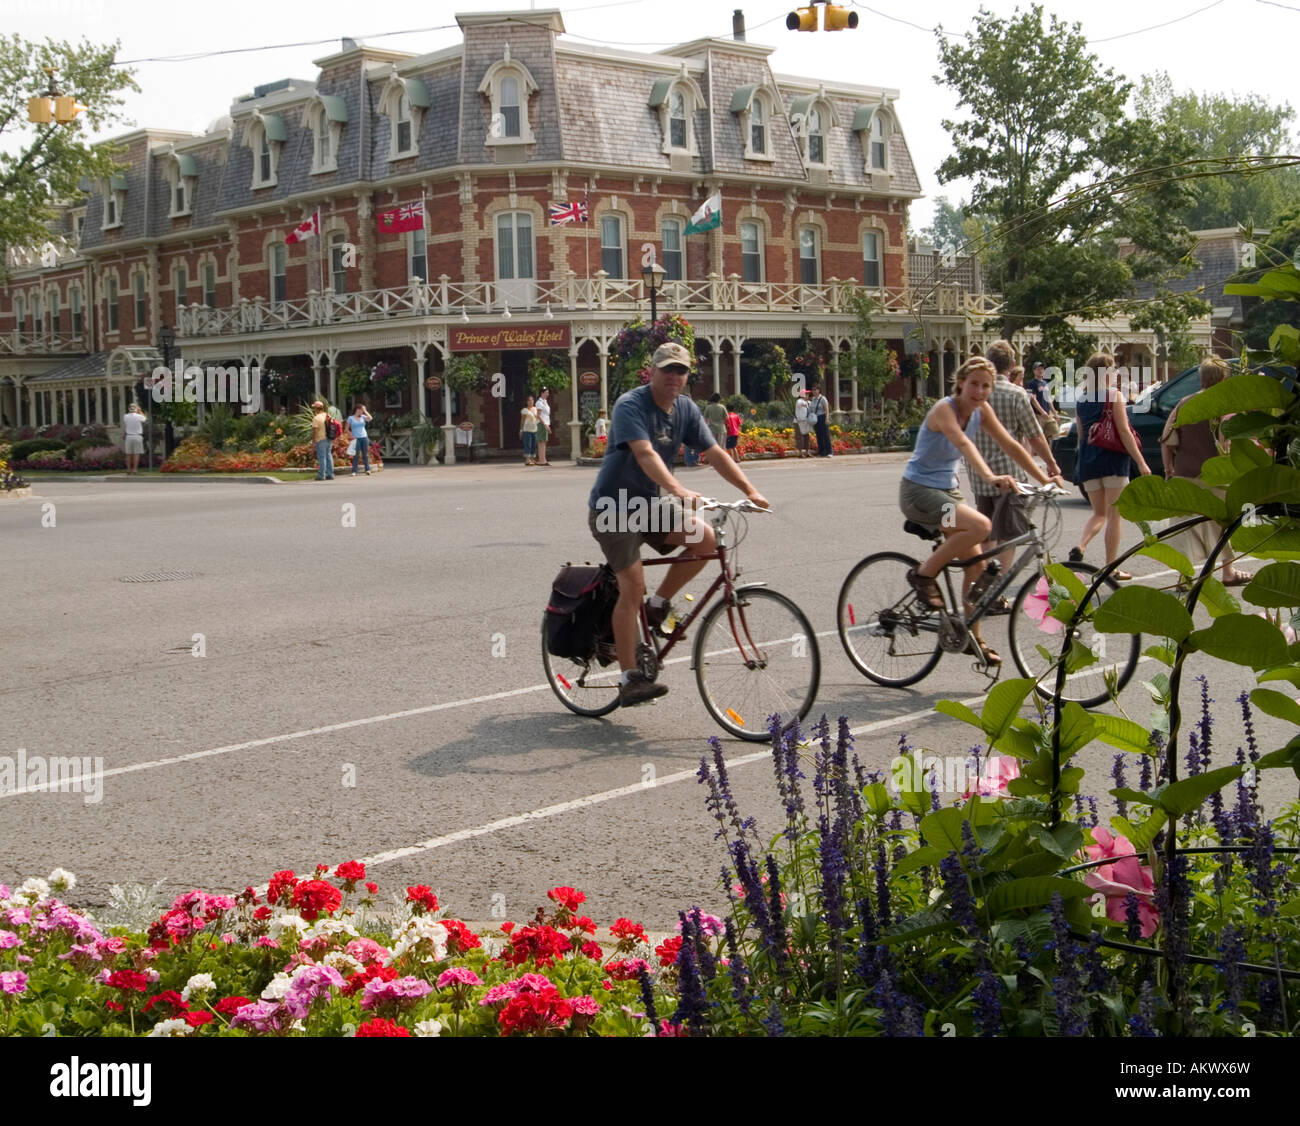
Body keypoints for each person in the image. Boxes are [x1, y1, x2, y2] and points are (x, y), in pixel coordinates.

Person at [588, 341, 768, 706]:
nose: (674, 377)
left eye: (681, 371)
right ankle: (630, 678)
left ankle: (658, 606)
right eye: (667, 369)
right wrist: (677, 488)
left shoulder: (685, 408)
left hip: (651, 504)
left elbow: (714, 451)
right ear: (651, 371)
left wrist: (750, 490)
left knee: (704, 539)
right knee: (631, 585)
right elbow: (644, 453)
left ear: (688, 376)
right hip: (614, 507)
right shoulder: (630, 405)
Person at [900, 356, 1057, 665]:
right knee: (981, 526)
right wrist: (990, 477)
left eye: (986, 385)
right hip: (919, 494)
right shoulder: (945, 409)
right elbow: (963, 444)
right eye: (974, 384)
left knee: (977, 567)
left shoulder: (981, 410)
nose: (980, 391)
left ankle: (973, 637)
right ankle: (922, 575)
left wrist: (1045, 477)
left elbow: (1011, 445)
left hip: (946, 494)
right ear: (960, 383)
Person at [970, 341, 1065, 608]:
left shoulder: (978, 393)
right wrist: (1051, 463)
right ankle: (996, 592)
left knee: (988, 535)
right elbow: (1034, 435)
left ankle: (984, 587)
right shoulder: (1016, 394)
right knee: (1009, 535)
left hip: (981, 475)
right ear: (1012, 366)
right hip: (1010, 477)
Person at [1159, 357, 1251, 586]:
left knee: (1183, 528)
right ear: (1224, 377)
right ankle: (1228, 572)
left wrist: (1169, 468)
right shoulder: (1223, 405)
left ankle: (1184, 576)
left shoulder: (1184, 403)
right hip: (1215, 476)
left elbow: (1166, 440)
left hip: (1185, 474)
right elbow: (1225, 442)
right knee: (1224, 523)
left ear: (1201, 377)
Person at [1069, 352, 1151, 580]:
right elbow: (1124, 432)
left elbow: (1081, 436)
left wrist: (1079, 465)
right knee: (1115, 515)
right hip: (1112, 459)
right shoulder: (1114, 395)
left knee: (1098, 513)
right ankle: (1110, 567)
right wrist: (1141, 462)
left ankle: (1081, 545)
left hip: (1088, 460)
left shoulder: (1081, 400)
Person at [1024, 359, 1060, 441]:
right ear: (1034, 371)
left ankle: (1052, 453)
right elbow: (1033, 400)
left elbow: (1049, 399)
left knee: (1054, 434)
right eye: (1038, 369)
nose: (1040, 371)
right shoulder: (1031, 384)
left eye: (1042, 369)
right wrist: (1042, 412)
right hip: (1038, 415)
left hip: (1048, 414)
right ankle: (1034, 454)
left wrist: (1054, 412)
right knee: (1038, 438)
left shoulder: (1045, 383)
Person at [311, 400, 334, 481]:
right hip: (329, 438)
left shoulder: (316, 418)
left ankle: (321, 475)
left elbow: (315, 432)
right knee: (329, 456)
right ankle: (330, 474)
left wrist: (313, 442)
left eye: (314, 408)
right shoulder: (328, 415)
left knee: (322, 457)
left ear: (316, 409)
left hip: (321, 439)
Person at [347, 402, 373, 476]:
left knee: (365, 454)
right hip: (356, 438)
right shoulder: (350, 418)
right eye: (361, 410)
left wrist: (365, 411)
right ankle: (354, 471)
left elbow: (370, 418)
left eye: (363, 410)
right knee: (356, 455)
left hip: (364, 437)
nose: (362, 411)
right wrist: (351, 435)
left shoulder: (363, 417)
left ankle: (367, 469)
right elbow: (346, 429)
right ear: (357, 409)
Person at [122, 402, 146, 475]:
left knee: (128, 454)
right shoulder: (139, 416)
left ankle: (128, 469)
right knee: (136, 454)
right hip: (137, 436)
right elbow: (144, 419)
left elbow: (126, 425)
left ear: (129, 409)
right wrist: (140, 411)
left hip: (129, 436)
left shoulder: (125, 416)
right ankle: (135, 469)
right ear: (136, 409)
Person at [810, 382, 832, 457]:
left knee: (826, 435)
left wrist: (827, 418)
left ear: (819, 390)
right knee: (819, 436)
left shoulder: (823, 398)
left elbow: (827, 409)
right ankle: (821, 452)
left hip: (823, 417)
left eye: (816, 390)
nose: (814, 391)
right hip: (816, 418)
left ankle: (829, 452)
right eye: (813, 390)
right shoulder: (813, 399)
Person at [535, 387, 553, 466]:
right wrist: (545, 424)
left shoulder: (545, 402)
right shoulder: (539, 402)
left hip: (546, 423)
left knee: (543, 442)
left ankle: (543, 459)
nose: (548, 394)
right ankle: (541, 460)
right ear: (542, 393)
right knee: (541, 442)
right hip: (542, 424)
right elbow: (538, 415)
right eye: (546, 392)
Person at [520, 395, 539, 465]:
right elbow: (522, 421)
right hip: (527, 430)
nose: (531, 402)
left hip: (534, 429)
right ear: (527, 402)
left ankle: (532, 459)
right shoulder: (524, 410)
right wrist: (521, 430)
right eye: (529, 400)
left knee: (534, 444)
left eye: (532, 400)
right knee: (528, 444)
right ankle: (527, 459)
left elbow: (537, 418)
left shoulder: (535, 409)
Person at [794, 390, 812, 457]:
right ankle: (800, 453)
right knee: (799, 437)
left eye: (807, 394)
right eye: (806, 394)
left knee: (807, 437)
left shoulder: (809, 402)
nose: (807, 395)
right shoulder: (799, 401)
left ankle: (807, 452)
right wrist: (806, 404)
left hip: (806, 422)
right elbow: (801, 404)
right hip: (798, 422)